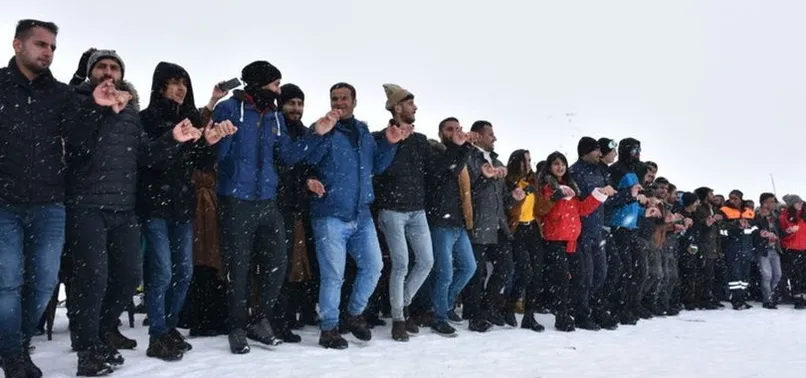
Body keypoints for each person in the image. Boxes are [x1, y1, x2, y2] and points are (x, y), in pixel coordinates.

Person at [65, 49, 206, 376]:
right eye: (102, 66)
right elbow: (75, 144)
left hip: (124, 208)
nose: (109, 72)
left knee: (129, 276)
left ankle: (102, 330)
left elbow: (146, 156)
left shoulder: (130, 110)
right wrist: (96, 108)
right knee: (93, 278)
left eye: (115, 67)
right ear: (91, 73)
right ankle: (87, 347)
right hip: (87, 205)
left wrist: (173, 138)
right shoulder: (77, 101)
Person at [0, 19, 120, 378]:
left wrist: (96, 107)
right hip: (3, 203)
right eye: (40, 44)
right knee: (7, 282)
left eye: (52, 46)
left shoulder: (61, 94)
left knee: (43, 283)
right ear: (17, 45)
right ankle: (13, 354)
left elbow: (80, 143)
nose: (47, 52)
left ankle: (16, 344)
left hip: (50, 204)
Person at [211, 61, 334, 354]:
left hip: (268, 201)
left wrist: (316, 133)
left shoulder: (275, 118)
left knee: (278, 264)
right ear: (260, 83)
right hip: (236, 200)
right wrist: (220, 137)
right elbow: (217, 155)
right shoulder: (230, 109)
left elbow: (290, 157)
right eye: (276, 85)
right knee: (238, 269)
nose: (279, 90)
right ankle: (237, 328)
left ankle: (259, 319)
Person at [138, 61, 234, 360]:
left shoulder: (192, 117)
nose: (180, 88)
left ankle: (169, 327)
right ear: (160, 85)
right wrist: (172, 138)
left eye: (184, 82)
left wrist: (210, 143)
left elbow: (201, 165)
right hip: (154, 206)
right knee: (162, 273)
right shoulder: (146, 118)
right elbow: (147, 159)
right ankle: (157, 335)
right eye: (174, 82)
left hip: (183, 206)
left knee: (185, 273)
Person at [304, 82, 409, 349]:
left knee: (374, 267)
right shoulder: (323, 128)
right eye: (334, 98)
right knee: (333, 276)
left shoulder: (362, 131)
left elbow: (378, 165)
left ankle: (353, 313)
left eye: (344, 98)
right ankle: (328, 328)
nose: (339, 103)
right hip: (330, 214)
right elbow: (306, 159)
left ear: (354, 101)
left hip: (361, 215)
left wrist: (389, 143)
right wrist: (317, 135)